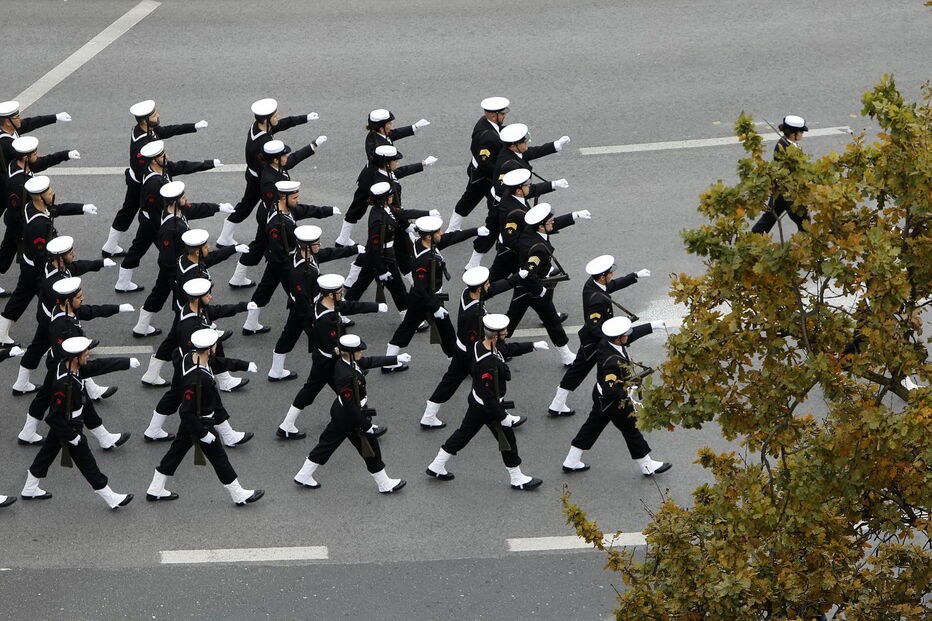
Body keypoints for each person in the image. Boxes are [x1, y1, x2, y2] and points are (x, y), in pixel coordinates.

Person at [425, 313, 549, 489]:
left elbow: (507, 350)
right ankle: (517, 478)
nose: (506, 332)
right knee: (508, 440)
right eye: (504, 331)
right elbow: (487, 394)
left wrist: (532, 346)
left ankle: (436, 465)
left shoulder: (481, 345)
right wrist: (502, 416)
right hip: (488, 407)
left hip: (477, 403)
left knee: (463, 434)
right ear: (496, 336)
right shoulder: (488, 363)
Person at [145, 328, 264, 505]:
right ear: (209, 350)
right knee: (220, 459)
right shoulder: (197, 379)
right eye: (215, 346)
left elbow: (218, 363)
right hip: (200, 423)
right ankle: (239, 495)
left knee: (175, 453)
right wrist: (203, 434)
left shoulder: (191, 357)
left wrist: (244, 365)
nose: (216, 348)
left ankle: (155, 489)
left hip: (192, 423)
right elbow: (186, 412)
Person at [20, 336, 137, 509]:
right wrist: (72, 436)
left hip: (68, 424)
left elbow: (99, 366)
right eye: (85, 353)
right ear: (75, 358)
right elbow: (53, 417)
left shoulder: (70, 367)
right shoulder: (64, 384)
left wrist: (126, 362)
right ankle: (111, 497)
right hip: (69, 426)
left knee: (46, 455)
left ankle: (29, 489)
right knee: (88, 464)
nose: (88, 354)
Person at [142, 278, 256, 441]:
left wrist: (243, 306)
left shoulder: (196, 310)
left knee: (175, 396)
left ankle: (153, 429)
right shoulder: (190, 325)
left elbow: (218, 310)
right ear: (197, 299)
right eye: (207, 294)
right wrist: (241, 365)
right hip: (190, 366)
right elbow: (198, 355)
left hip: (186, 362)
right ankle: (228, 435)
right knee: (210, 397)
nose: (210, 296)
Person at [293, 334, 407, 494]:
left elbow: (370, 361)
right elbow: (350, 405)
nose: (362, 352)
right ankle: (384, 484)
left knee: (327, 444)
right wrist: (366, 425)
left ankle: (303, 475)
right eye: (359, 350)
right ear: (350, 353)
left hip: (342, 414)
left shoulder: (349, 362)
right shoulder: (344, 374)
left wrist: (395, 359)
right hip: (349, 416)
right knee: (370, 447)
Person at [276, 273, 385, 439]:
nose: (342, 294)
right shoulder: (325, 320)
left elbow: (351, 306)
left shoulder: (327, 304)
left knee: (320, 391)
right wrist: (354, 359)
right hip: (328, 362)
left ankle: (287, 425)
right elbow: (334, 346)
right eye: (339, 292)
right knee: (351, 391)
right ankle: (364, 425)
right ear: (330, 295)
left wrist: (375, 307)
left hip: (326, 359)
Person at [561, 316, 672, 476]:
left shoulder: (608, 342)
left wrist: (652, 326)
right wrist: (629, 388)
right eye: (625, 335)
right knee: (631, 429)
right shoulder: (611, 362)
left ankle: (571, 461)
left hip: (601, 398)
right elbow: (610, 391)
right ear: (618, 339)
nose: (628, 336)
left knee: (591, 428)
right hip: (613, 402)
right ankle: (647, 465)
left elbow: (632, 335)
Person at [420, 265, 524, 429]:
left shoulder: (468, 293)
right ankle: (503, 417)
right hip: (469, 354)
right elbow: (473, 342)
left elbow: (493, 289)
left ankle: (429, 415)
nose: (489, 285)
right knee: (491, 384)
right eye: (486, 284)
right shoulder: (474, 314)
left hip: (463, 351)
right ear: (480, 288)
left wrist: (517, 278)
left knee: (450, 383)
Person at [115, 139, 225, 294]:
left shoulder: (162, 167)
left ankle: (124, 281)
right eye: (162, 155)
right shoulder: (153, 184)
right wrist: (165, 231)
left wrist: (208, 164)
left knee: (140, 249)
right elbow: (155, 212)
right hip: (153, 221)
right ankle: (179, 282)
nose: (167, 156)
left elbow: (182, 166)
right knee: (167, 253)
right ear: (154, 160)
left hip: (159, 218)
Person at [101, 99, 206, 257]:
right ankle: (173, 255)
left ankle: (110, 246)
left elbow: (165, 131)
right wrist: (161, 182)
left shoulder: (145, 129)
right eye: (154, 115)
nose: (158, 116)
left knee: (128, 212)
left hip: (138, 182)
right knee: (154, 219)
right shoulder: (142, 145)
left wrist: (193, 127)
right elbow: (145, 170)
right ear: (145, 120)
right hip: (141, 185)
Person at [548, 254, 650, 416]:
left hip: (601, 339)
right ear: (602, 277)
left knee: (608, 369)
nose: (612, 274)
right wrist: (613, 337)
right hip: (595, 342)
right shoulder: (595, 300)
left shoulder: (595, 283)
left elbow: (613, 285)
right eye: (610, 273)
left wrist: (635, 275)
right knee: (581, 371)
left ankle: (558, 404)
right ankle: (558, 403)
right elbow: (594, 328)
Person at [381, 215, 486, 373]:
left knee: (409, 328)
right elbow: (420, 289)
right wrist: (435, 307)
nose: (441, 234)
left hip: (424, 298)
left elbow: (450, 238)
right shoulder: (425, 261)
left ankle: (388, 361)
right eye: (437, 232)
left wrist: (475, 231)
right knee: (446, 333)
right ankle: (458, 367)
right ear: (429, 236)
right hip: (427, 299)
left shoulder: (423, 243)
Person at [13, 235, 115, 397]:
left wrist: (99, 263)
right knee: (73, 355)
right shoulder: (55, 283)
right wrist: (113, 309)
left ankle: (21, 383)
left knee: (37, 349)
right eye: (70, 253)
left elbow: (76, 267)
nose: (74, 254)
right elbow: (78, 310)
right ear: (61, 258)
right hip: (54, 322)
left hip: (49, 318)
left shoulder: (55, 267)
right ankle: (93, 390)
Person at [0, 174, 93, 346]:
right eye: (49, 192)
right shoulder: (38, 224)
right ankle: (72, 341)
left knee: (22, 299)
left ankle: (1, 332)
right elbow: (40, 255)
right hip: (36, 269)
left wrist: (82, 208)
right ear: (39, 197)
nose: (52, 193)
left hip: (32, 267)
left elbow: (57, 209)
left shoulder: (33, 207)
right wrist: (51, 272)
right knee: (60, 300)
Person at [131, 180, 231, 338]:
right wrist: (177, 276)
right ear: (174, 201)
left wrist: (218, 207)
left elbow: (195, 209)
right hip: (174, 268)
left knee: (160, 294)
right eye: (183, 197)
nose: (186, 198)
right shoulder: (169, 228)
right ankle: (203, 330)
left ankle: (142, 326)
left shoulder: (178, 211)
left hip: (179, 265)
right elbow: (167, 257)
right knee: (190, 299)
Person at [227, 135, 328, 289]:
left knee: (265, 246)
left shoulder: (278, 166)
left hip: (276, 213)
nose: (287, 157)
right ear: (275, 160)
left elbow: (294, 158)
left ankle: (243, 275)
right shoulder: (268, 179)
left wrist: (313, 145)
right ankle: (238, 277)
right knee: (260, 246)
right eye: (284, 155)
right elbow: (274, 204)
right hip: (270, 216)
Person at [216, 98, 320, 248]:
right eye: (275, 116)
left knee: (247, 205)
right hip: (258, 179)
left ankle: (226, 237)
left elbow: (280, 124)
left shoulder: (258, 127)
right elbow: (286, 164)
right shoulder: (263, 142)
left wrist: (305, 118)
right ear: (266, 120)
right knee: (257, 207)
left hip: (255, 174)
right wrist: (311, 147)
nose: (278, 117)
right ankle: (232, 239)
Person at [241, 180, 337, 335]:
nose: (297, 200)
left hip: (278, 262)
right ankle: (316, 327)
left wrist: (327, 211)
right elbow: (279, 251)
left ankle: (250, 324)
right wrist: (296, 266)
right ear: (283, 198)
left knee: (264, 290)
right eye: (294, 198)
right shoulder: (277, 223)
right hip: (284, 263)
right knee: (306, 292)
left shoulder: (285, 210)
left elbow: (304, 210)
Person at [268, 225, 360, 382]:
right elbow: (302, 299)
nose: (319, 245)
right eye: (316, 243)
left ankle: (276, 370)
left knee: (292, 337)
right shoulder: (299, 270)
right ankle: (344, 372)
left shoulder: (307, 257)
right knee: (323, 340)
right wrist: (312, 319)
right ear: (308, 246)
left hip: (310, 305)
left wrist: (353, 249)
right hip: (304, 309)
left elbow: (328, 254)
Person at [506, 203, 591, 365]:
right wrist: (541, 291)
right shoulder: (537, 248)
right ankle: (566, 356)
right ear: (541, 226)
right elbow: (529, 274)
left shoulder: (532, 230)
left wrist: (575, 215)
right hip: (532, 288)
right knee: (551, 322)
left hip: (530, 284)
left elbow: (553, 224)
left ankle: (495, 343)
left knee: (515, 317)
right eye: (549, 221)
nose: (553, 222)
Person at [333, 110, 431, 247]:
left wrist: (414, 127)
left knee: (359, 207)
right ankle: (408, 233)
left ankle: (343, 238)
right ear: (381, 128)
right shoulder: (379, 149)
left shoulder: (377, 135)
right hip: (373, 181)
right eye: (389, 124)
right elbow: (395, 170)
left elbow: (394, 134)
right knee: (391, 208)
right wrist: (421, 165)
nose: (391, 126)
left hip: (369, 178)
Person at [343, 181, 436, 311]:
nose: (392, 197)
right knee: (398, 289)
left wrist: (427, 213)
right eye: (389, 195)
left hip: (377, 256)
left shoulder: (386, 209)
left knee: (360, 285)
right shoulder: (378, 219)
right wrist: (381, 270)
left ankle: (342, 310)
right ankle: (407, 317)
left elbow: (403, 214)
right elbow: (375, 247)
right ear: (383, 199)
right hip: (383, 256)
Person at [446, 97, 510, 234]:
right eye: (502, 114)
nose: (504, 116)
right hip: (482, 175)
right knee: (472, 199)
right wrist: (500, 174)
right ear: (493, 116)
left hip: (483, 173)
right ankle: (452, 230)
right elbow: (484, 162)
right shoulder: (487, 135)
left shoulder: (486, 123)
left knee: (490, 200)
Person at [751, 115, 810, 234]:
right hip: (789, 192)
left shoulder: (788, 144)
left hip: (780, 192)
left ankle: (754, 236)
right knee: (804, 222)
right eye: (801, 132)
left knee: (769, 218)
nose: (802, 134)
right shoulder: (784, 148)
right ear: (793, 134)